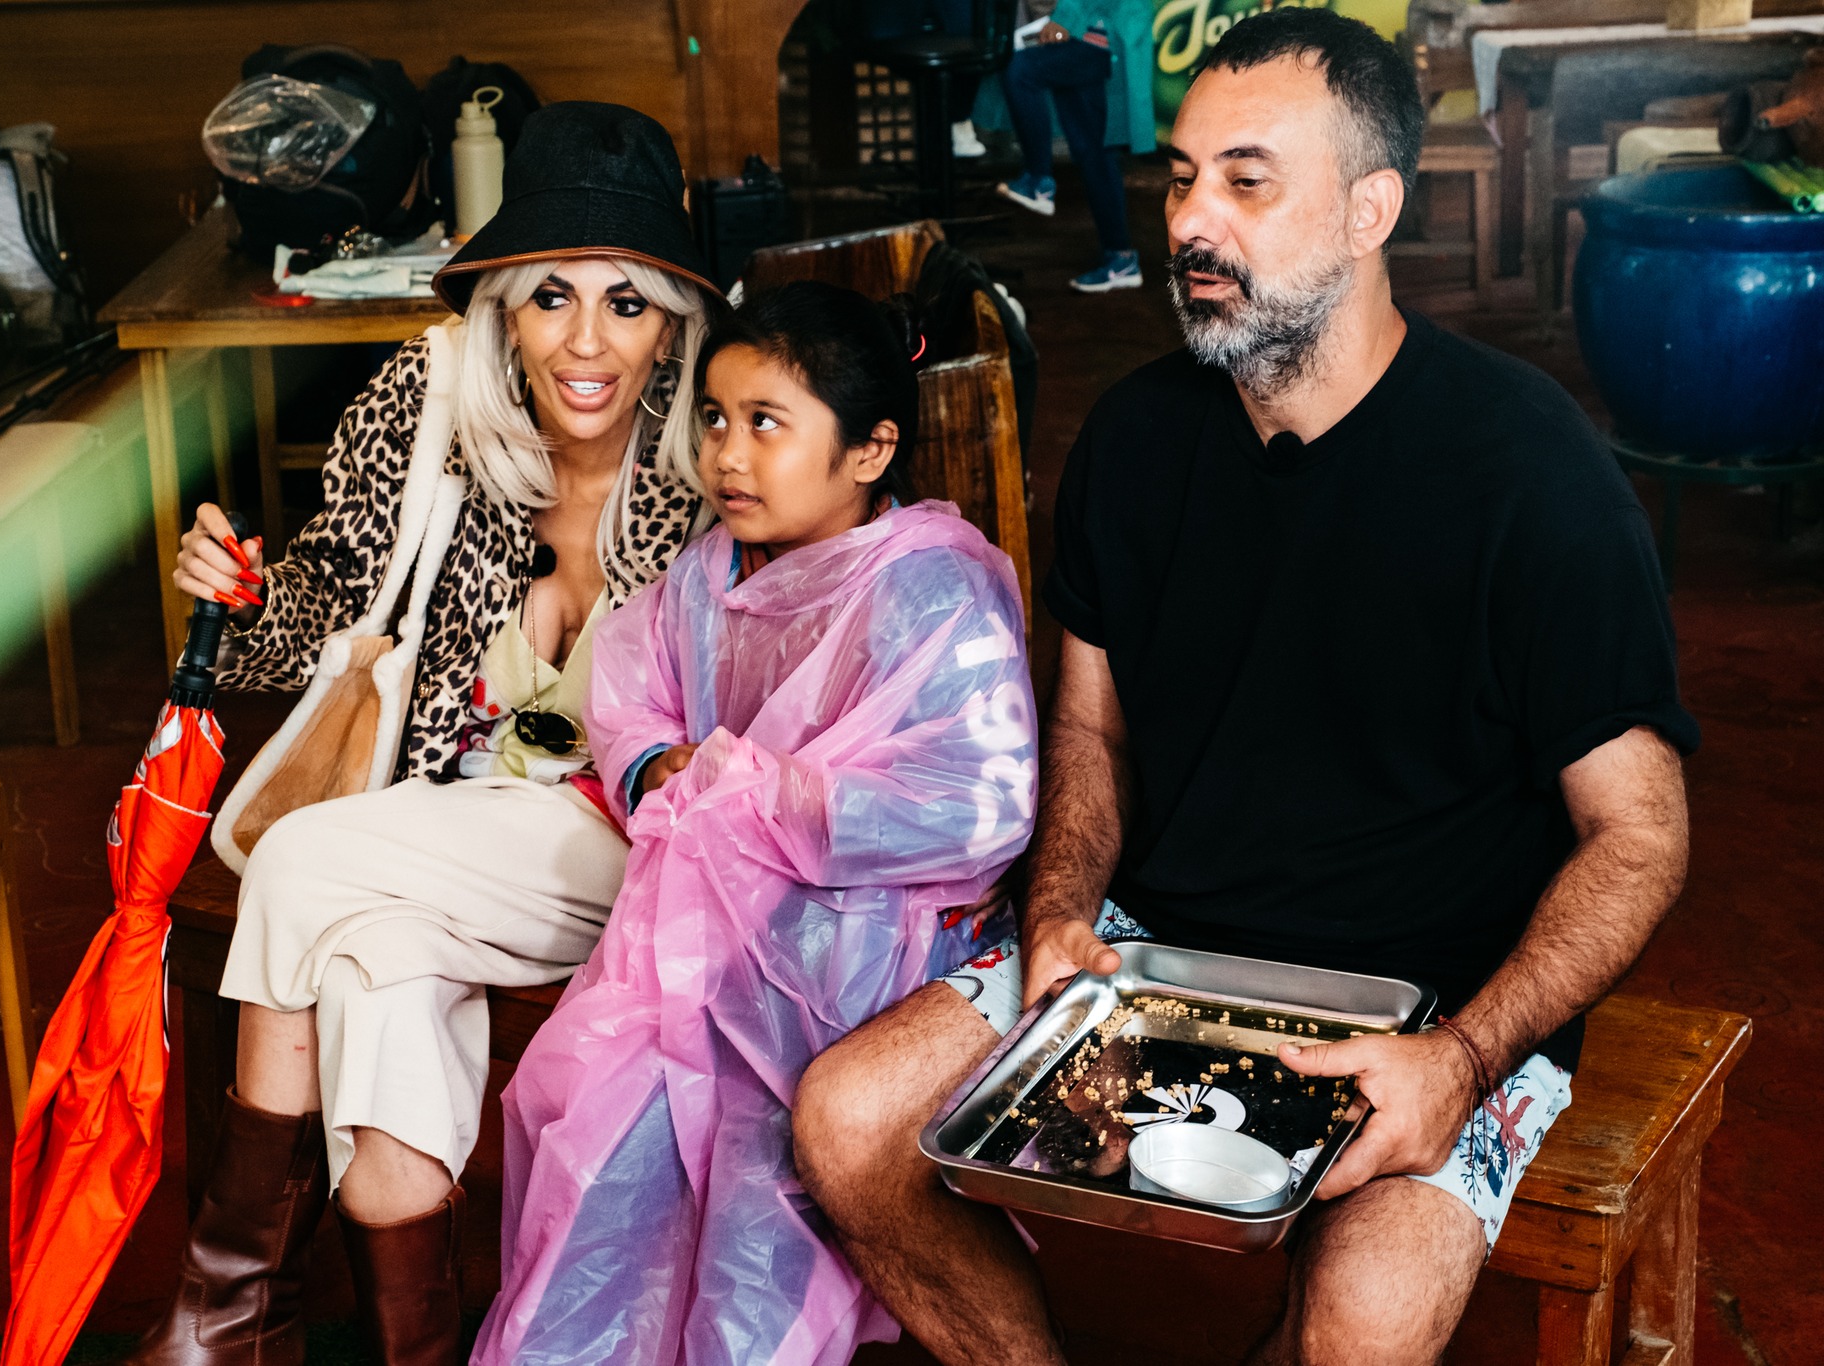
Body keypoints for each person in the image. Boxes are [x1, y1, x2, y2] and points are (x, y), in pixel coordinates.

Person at [793, 11, 1697, 1364]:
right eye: (1179, 178)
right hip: (1159, 944)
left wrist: (1464, 1059)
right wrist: (1058, 912)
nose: (1190, 222)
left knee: (1363, 1324)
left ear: (1369, 209)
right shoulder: (1134, 438)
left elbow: (1640, 832)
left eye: (1246, 181)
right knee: (846, 1122)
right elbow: (1091, 725)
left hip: (1435, 997)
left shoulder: (1530, 473)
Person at [126, 103, 721, 1366]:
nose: (585, 341)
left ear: (671, 319)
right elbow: (328, 596)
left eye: (625, 303)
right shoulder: (432, 391)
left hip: (643, 851)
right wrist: (239, 592)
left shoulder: (720, 438)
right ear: (504, 305)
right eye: (550, 296)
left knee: (300, 863)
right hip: (438, 829)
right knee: (372, 972)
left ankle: (224, 1312)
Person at [470, 282, 1038, 1366]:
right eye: (715, 419)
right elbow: (632, 694)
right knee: (602, 1123)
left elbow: (979, 804)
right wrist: (656, 766)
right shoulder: (707, 574)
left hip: (874, 954)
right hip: (701, 938)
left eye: (765, 423)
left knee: (758, 1186)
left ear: (869, 450)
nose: (726, 456)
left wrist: (752, 789)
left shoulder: (930, 590)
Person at [996, 0, 1157, 293]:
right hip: (1092, 31)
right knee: (1093, 151)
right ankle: (1120, 258)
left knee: (1021, 71)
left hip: (1098, 35)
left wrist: (1065, 19)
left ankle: (1038, 180)